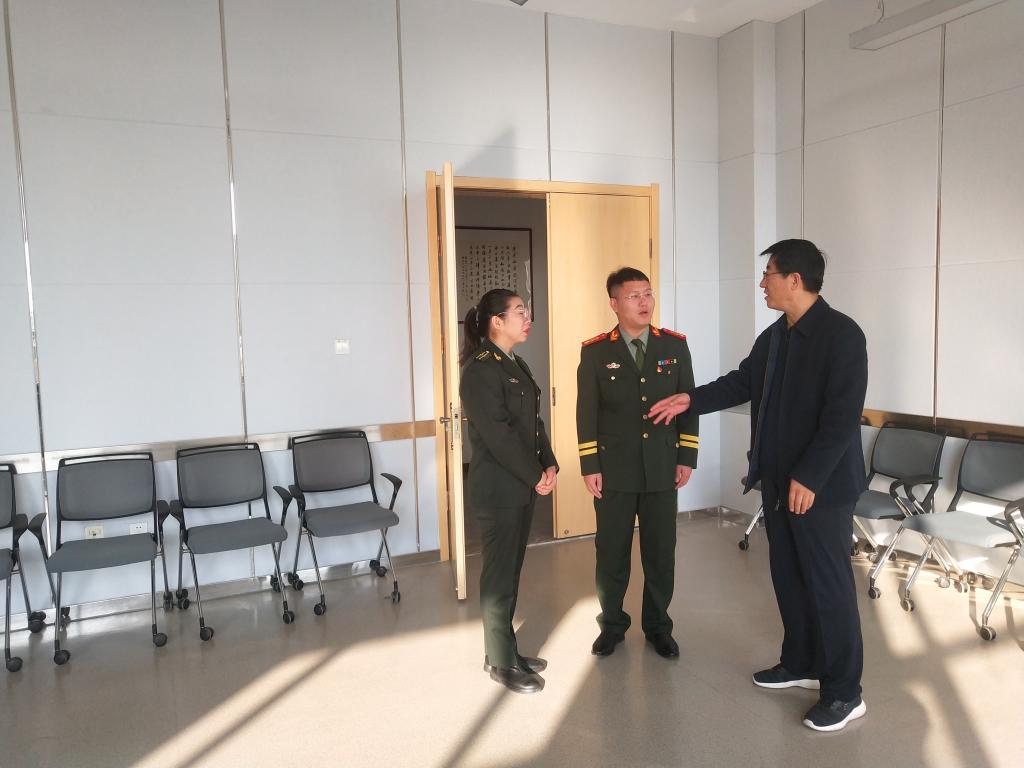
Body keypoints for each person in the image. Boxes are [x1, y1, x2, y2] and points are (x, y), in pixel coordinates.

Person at [650, 238, 869, 732]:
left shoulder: (841, 335)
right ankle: (801, 663)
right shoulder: (774, 337)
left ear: (795, 279)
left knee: (829, 586)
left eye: (768, 274)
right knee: (789, 578)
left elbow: (841, 419)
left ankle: (844, 692)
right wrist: (690, 399)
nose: (761, 283)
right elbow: (742, 382)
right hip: (778, 482)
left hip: (820, 488)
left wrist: (809, 476)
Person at [576, 267, 698, 660]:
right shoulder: (596, 351)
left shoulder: (674, 346)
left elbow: (688, 404)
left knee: (661, 553)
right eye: (634, 296)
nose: (644, 302)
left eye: (648, 293)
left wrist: (686, 456)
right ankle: (612, 625)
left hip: (662, 467)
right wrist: (590, 465)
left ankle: (659, 626)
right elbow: (586, 413)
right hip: (614, 470)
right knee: (611, 552)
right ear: (614, 303)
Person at [459, 288, 558, 694]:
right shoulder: (481, 369)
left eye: (526, 311)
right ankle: (501, 662)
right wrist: (535, 475)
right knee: (499, 577)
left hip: (520, 485)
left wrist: (548, 462)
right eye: (519, 311)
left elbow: (532, 425)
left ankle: (503, 649)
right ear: (496, 321)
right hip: (499, 489)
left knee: (510, 572)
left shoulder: (514, 363)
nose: (527, 317)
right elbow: (498, 436)